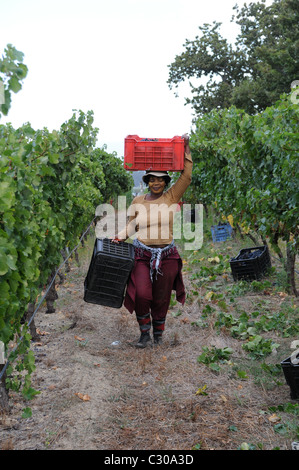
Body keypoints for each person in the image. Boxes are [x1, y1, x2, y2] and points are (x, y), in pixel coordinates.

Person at [113, 134, 192, 348]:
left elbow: (186, 177)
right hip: (142, 255)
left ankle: (158, 336)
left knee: (161, 298)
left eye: (160, 180)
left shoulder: (171, 197)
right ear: (147, 181)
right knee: (141, 293)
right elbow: (131, 225)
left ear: (166, 182)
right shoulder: (138, 200)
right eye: (152, 179)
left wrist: (186, 149)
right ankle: (144, 334)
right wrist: (120, 236)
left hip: (167, 257)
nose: (156, 183)